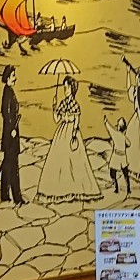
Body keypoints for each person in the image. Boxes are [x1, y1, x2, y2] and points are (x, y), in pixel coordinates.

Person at [37, 75, 100, 204]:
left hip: (71, 133)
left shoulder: (75, 105)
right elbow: (56, 120)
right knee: (58, 160)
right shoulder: (62, 103)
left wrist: (74, 131)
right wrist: (54, 107)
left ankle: (76, 189)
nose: (65, 90)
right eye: (64, 88)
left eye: (67, 88)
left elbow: (76, 120)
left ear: (72, 88)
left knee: (74, 163)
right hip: (62, 133)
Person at [0, 66, 24, 204]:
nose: (15, 78)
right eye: (13, 75)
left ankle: (6, 195)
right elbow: (6, 113)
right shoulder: (7, 92)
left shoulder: (9, 91)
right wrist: (12, 128)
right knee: (12, 166)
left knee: (9, 166)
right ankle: (15, 197)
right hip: (10, 135)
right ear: (7, 78)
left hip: (10, 135)